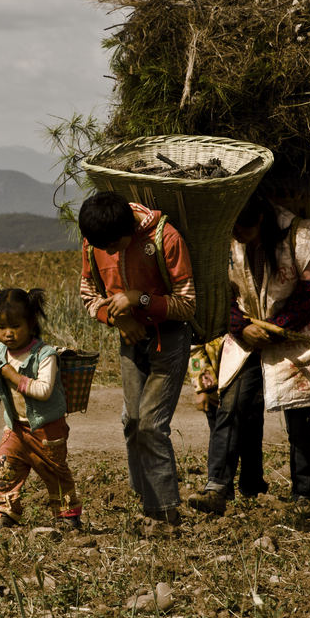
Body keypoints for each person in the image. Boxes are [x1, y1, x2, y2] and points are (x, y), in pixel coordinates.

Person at [188, 193, 310, 515]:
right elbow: (219, 291)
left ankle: (304, 493)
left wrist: (278, 326)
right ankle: (217, 487)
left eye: (245, 230)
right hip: (248, 334)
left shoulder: (300, 236)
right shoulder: (225, 240)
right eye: (235, 230)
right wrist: (242, 327)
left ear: (261, 221)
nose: (239, 236)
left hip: (296, 333)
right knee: (232, 404)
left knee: (299, 414)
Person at [78, 190, 196, 535]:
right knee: (131, 420)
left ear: (129, 230)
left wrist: (139, 300)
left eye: (115, 247)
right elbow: (88, 293)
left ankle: (164, 513)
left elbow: (187, 304)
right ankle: (145, 498)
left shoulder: (165, 238)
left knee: (150, 424)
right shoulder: (94, 242)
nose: (110, 253)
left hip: (170, 337)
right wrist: (117, 319)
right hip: (131, 337)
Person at [0, 286, 82, 531]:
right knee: (6, 467)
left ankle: (67, 514)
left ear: (31, 324)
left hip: (48, 430)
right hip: (16, 428)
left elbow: (43, 391)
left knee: (55, 471)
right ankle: (5, 512)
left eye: (15, 327)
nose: (8, 334)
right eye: (1, 327)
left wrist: (13, 376)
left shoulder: (45, 355)